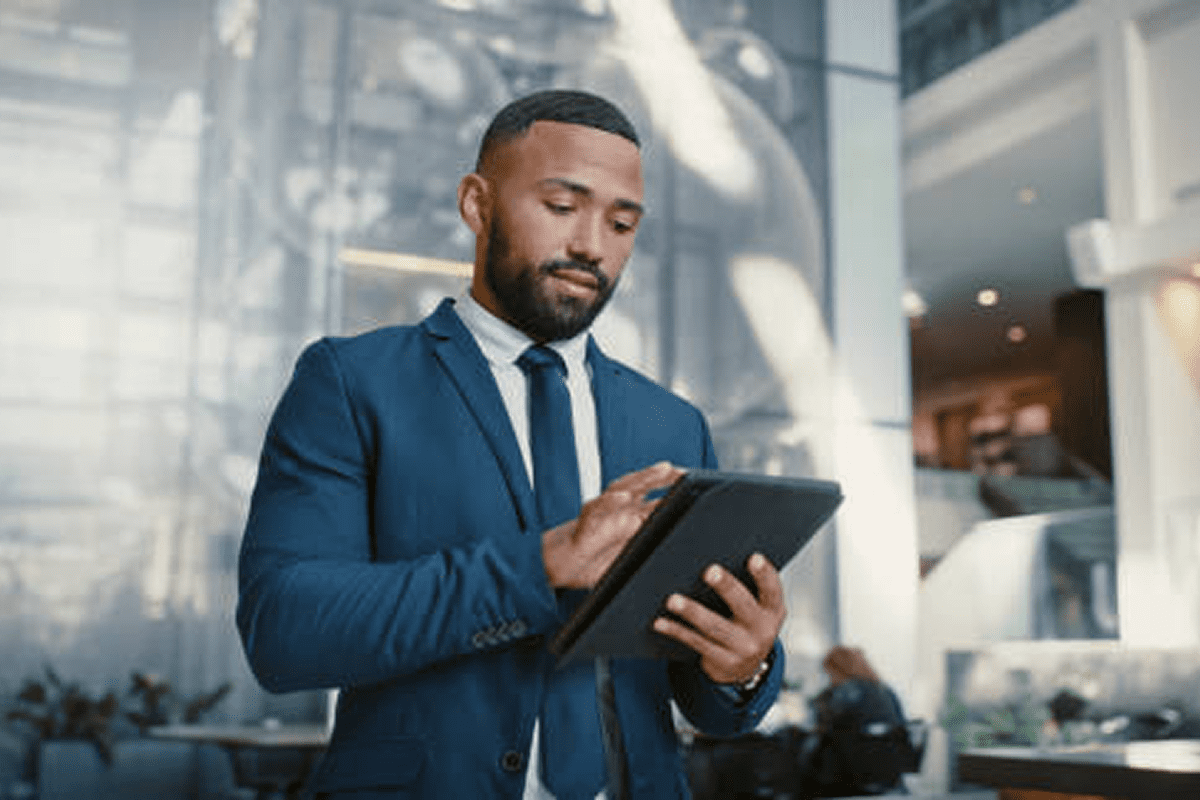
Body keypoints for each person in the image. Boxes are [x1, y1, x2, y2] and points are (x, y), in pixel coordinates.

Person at [237, 89, 787, 800]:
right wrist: (541, 563)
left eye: (622, 223)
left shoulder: (674, 425)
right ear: (477, 204)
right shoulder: (352, 382)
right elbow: (285, 630)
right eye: (562, 207)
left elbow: (703, 698)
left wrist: (742, 663)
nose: (592, 244)